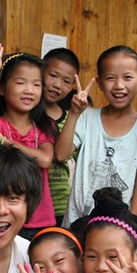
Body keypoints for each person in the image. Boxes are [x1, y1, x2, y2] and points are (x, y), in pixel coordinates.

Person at [0, 44, 59, 238]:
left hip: (41, 219)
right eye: (20, 83)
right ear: (1, 88)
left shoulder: (43, 126)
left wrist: (4, 143)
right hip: (4, 218)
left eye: (36, 84)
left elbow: (44, 159)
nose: (29, 90)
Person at [56, 45, 137, 227]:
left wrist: (130, 223)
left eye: (127, 77)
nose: (119, 85)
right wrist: (75, 114)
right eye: (110, 78)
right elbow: (61, 154)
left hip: (118, 227)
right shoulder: (87, 118)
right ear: (100, 83)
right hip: (76, 223)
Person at [41, 48, 81, 226]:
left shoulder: (72, 119)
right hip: (34, 206)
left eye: (67, 81)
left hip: (63, 206)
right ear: (40, 71)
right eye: (53, 75)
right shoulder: (26, 115)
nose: (58, 85)